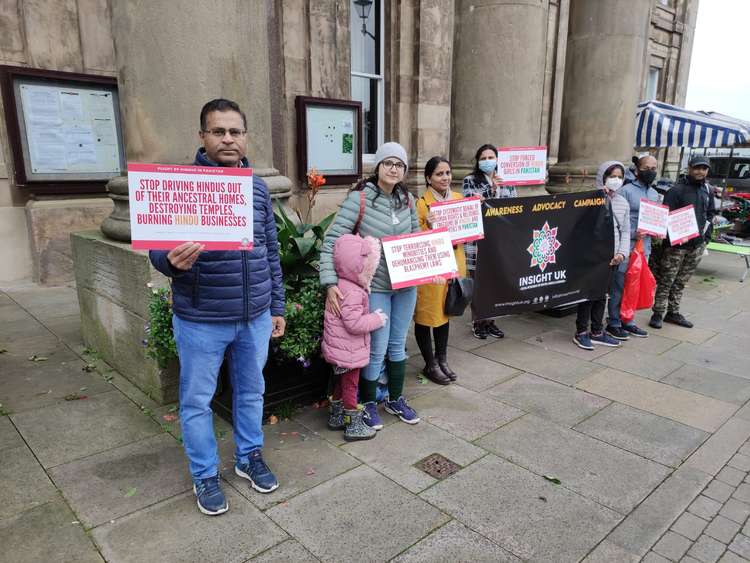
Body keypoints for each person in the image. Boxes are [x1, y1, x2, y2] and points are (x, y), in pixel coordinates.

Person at [149, 98, 285, 516]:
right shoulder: (183, 185)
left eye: (235, 131)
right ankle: (205, 474)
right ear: (203, 136)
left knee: (251, 392)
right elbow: (158, 248)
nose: (228, 139)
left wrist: (276, 304)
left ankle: (248, 457)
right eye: (219, 131)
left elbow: (271, 251)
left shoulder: (258, 188)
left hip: (255, 317)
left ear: (245, 137)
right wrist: (168, 261)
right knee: (196, 401)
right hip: (202, 319)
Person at [320, 142, 421, 429]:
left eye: (399, 164)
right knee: (376, 348)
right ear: (377, 167)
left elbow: (415, 241)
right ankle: (366, 404)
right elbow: (332, 242)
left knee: (398, 345)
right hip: (374, 287)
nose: (393, 168)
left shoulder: (409, 201)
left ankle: (395, 398)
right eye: (388, 162)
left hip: (405, 286)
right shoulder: (360, 199)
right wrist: (329, 282)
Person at [322, 234, 387, 441]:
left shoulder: (341, 284)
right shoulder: (353, 292)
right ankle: (353, 425)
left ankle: (336, 416)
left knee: (341, 382)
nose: (372, 271)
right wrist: (376, 319)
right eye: (369, 267)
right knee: (351, 386)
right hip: (349, 349)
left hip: (339, 348)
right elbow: (354, 324)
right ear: (358, 266)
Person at [413, 157, 468, 385]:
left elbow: (467, 229)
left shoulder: (458, 199)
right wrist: (427, 225)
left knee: (445, 312)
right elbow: (414, 240)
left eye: (447, 173)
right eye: (439, 174)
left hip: (453, 263)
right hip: (431, 268)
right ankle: (429, 363)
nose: (445, 178)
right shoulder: (421, 204)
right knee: (427, 315)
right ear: (428, 178)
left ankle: (442, 358)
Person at [649, 155, 716, 329]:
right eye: (697, 168)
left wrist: (706, 238)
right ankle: (657, 313)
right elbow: (665, 217)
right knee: (666, 280)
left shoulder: (708, 190)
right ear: (689, 168)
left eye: (704, 168)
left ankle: (673, 312)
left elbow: (710, 214)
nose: (700, 171)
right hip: (676, 246)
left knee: (681, 281)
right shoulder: (676, 191)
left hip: (697, 245)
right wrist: (672, 237)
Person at [573, 160, 630, 351]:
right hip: (592, 257)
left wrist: (621, 253)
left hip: (612, 258)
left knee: (602, 295)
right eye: (612, 176)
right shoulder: (591, 199)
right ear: (602, 177)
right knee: (588, 296)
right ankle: (581, 332)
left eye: (619, 176)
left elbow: (626, 231)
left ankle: (597, 331)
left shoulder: (623, 202)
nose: (616, 180)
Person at [606, 154, 660, 339]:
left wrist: (658, 230)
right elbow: (616, 221)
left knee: (634, 286)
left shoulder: (654, 194)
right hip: (626, 247)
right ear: (638, 170)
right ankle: (613, 322)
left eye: (654, 168)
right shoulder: (626, 191)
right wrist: (633, 234)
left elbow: (657, 220)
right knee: (618, 286)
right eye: (647, 168)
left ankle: (628, 321)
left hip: (644, 249)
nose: (651, 172)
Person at [462, 144, 514, 340]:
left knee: (494, 282)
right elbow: (469, 206)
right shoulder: (470, 181)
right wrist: (491, 189)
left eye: (491, 157)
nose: (487, 161)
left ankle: (491, 321)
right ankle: (478, 321)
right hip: (477, 241)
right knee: (478, 283)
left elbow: (512, 208)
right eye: (483, 158)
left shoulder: (507, 181)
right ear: (477, 161)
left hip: (498, 241)